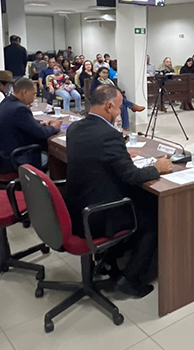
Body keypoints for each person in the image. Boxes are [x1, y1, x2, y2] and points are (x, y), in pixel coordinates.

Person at [65, 84, 173, 297]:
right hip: (98, 214)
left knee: (141, 200)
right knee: (153, 216)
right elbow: (132, 176)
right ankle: (131, 279)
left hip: (75, 206)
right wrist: (157, 168)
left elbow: (94, 155)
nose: (119, 113)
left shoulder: (75, 128)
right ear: (108, 106)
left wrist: (121, 155)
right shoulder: (109, 135)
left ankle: (110, 256)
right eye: (119, 107)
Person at [0, 78, 61, 175]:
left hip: (1, 153)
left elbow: (23, 123)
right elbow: (42, 133)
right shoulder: (19, 109)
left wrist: (40, 123)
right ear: (25, 92)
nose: (34, 98)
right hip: (12, 158)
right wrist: (54, 127)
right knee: (54, 154)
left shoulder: (7, 101)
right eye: (33, 94)